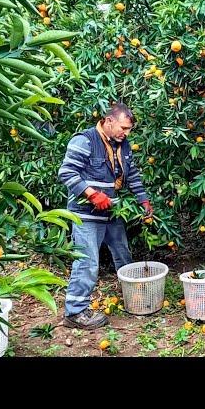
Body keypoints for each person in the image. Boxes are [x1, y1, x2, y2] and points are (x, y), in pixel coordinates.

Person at [58, 103, 153, 329]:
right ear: (108, 121)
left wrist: (143, 198)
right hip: (86, 215)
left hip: (112, 212)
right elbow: (66, 172)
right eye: (123, 128)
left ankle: (133, 296)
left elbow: (132, 175)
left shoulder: (123, 144)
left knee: (122, 253)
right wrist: (91, 194)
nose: (126, 133)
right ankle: (75, 312)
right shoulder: (85, 140)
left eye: (129, 130)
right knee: (87, 262)